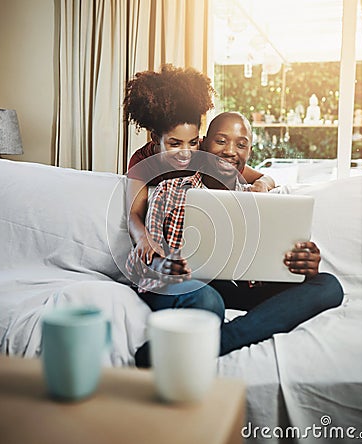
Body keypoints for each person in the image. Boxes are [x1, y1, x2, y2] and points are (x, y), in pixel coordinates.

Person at [126, 111, 344, 367]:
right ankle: (234, 334)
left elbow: (269, 266)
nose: (231, 151)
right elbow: (143, 265)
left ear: (249, 152)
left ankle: (222, 339)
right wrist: (165, 265)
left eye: (241, 144)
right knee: (208, 302)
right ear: (204, 144)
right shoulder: (171, 191)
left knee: (329, 286)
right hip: (188, 287)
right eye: (221, 141)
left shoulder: (262, 202)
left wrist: (303, 266)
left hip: (242, 290)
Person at [124, 64, 275, 266]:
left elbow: (261, 177)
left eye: (193, 142)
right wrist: (143, 239)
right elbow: (134, 214)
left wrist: (263, 184)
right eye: (174, 144)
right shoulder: (142, 162)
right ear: (156, 138)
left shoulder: (207, 152)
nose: (186, 153)